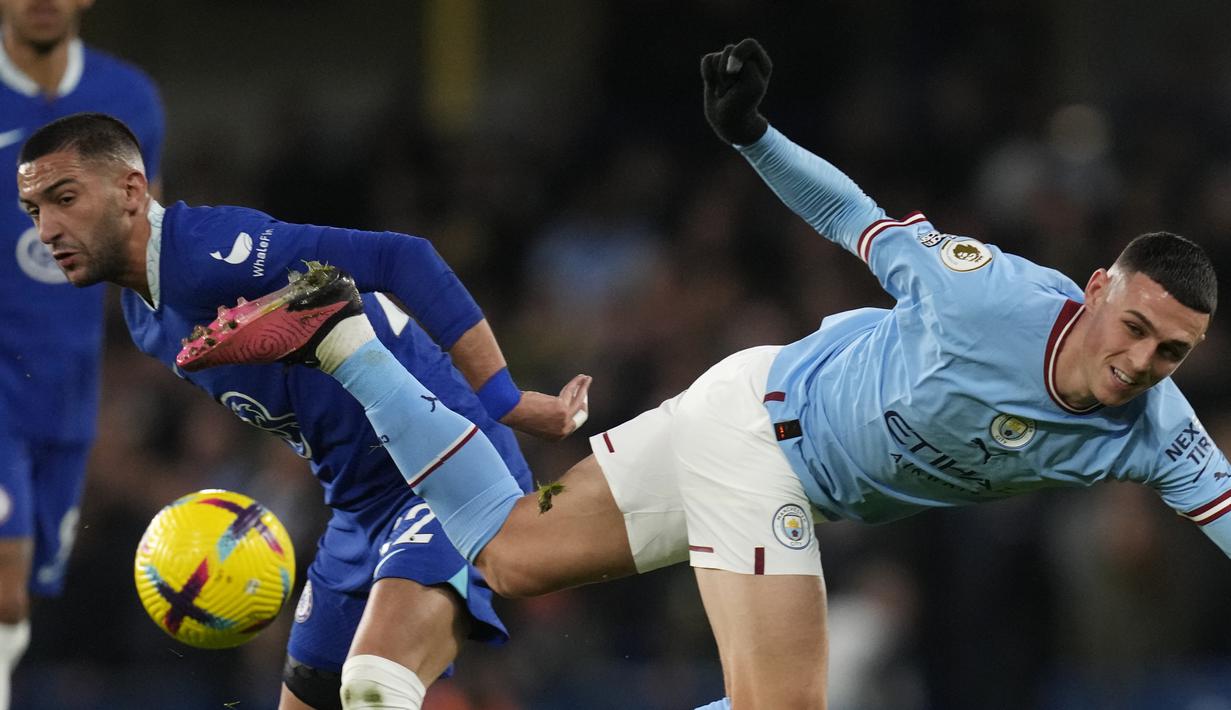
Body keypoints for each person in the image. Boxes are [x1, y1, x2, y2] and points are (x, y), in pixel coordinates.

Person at [142, 40, 1227, 710]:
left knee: (511, 553)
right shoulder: (987, 292)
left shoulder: (1158, 429)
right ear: (1094, 287)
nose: (1139, 362)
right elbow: (857, 220)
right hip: (759, 435)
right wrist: (752, 133)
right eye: (1132, 326)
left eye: (1168, 351)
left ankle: (345, 344)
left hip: (746, 428)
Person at [14, 112, 590, 710]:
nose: (48, 228)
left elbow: (404, 259)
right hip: (357, 512)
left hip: (441, 479)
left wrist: (507, 399)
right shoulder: (143, 318)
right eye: (34, 210)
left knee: (374, 686)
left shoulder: (206, 253)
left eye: (65, 198)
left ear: (131, 191)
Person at [0, 1, 163, 706]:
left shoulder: (130, 100)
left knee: (21, 601)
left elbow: (141, 237)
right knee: (4, 579)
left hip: (66, 384)